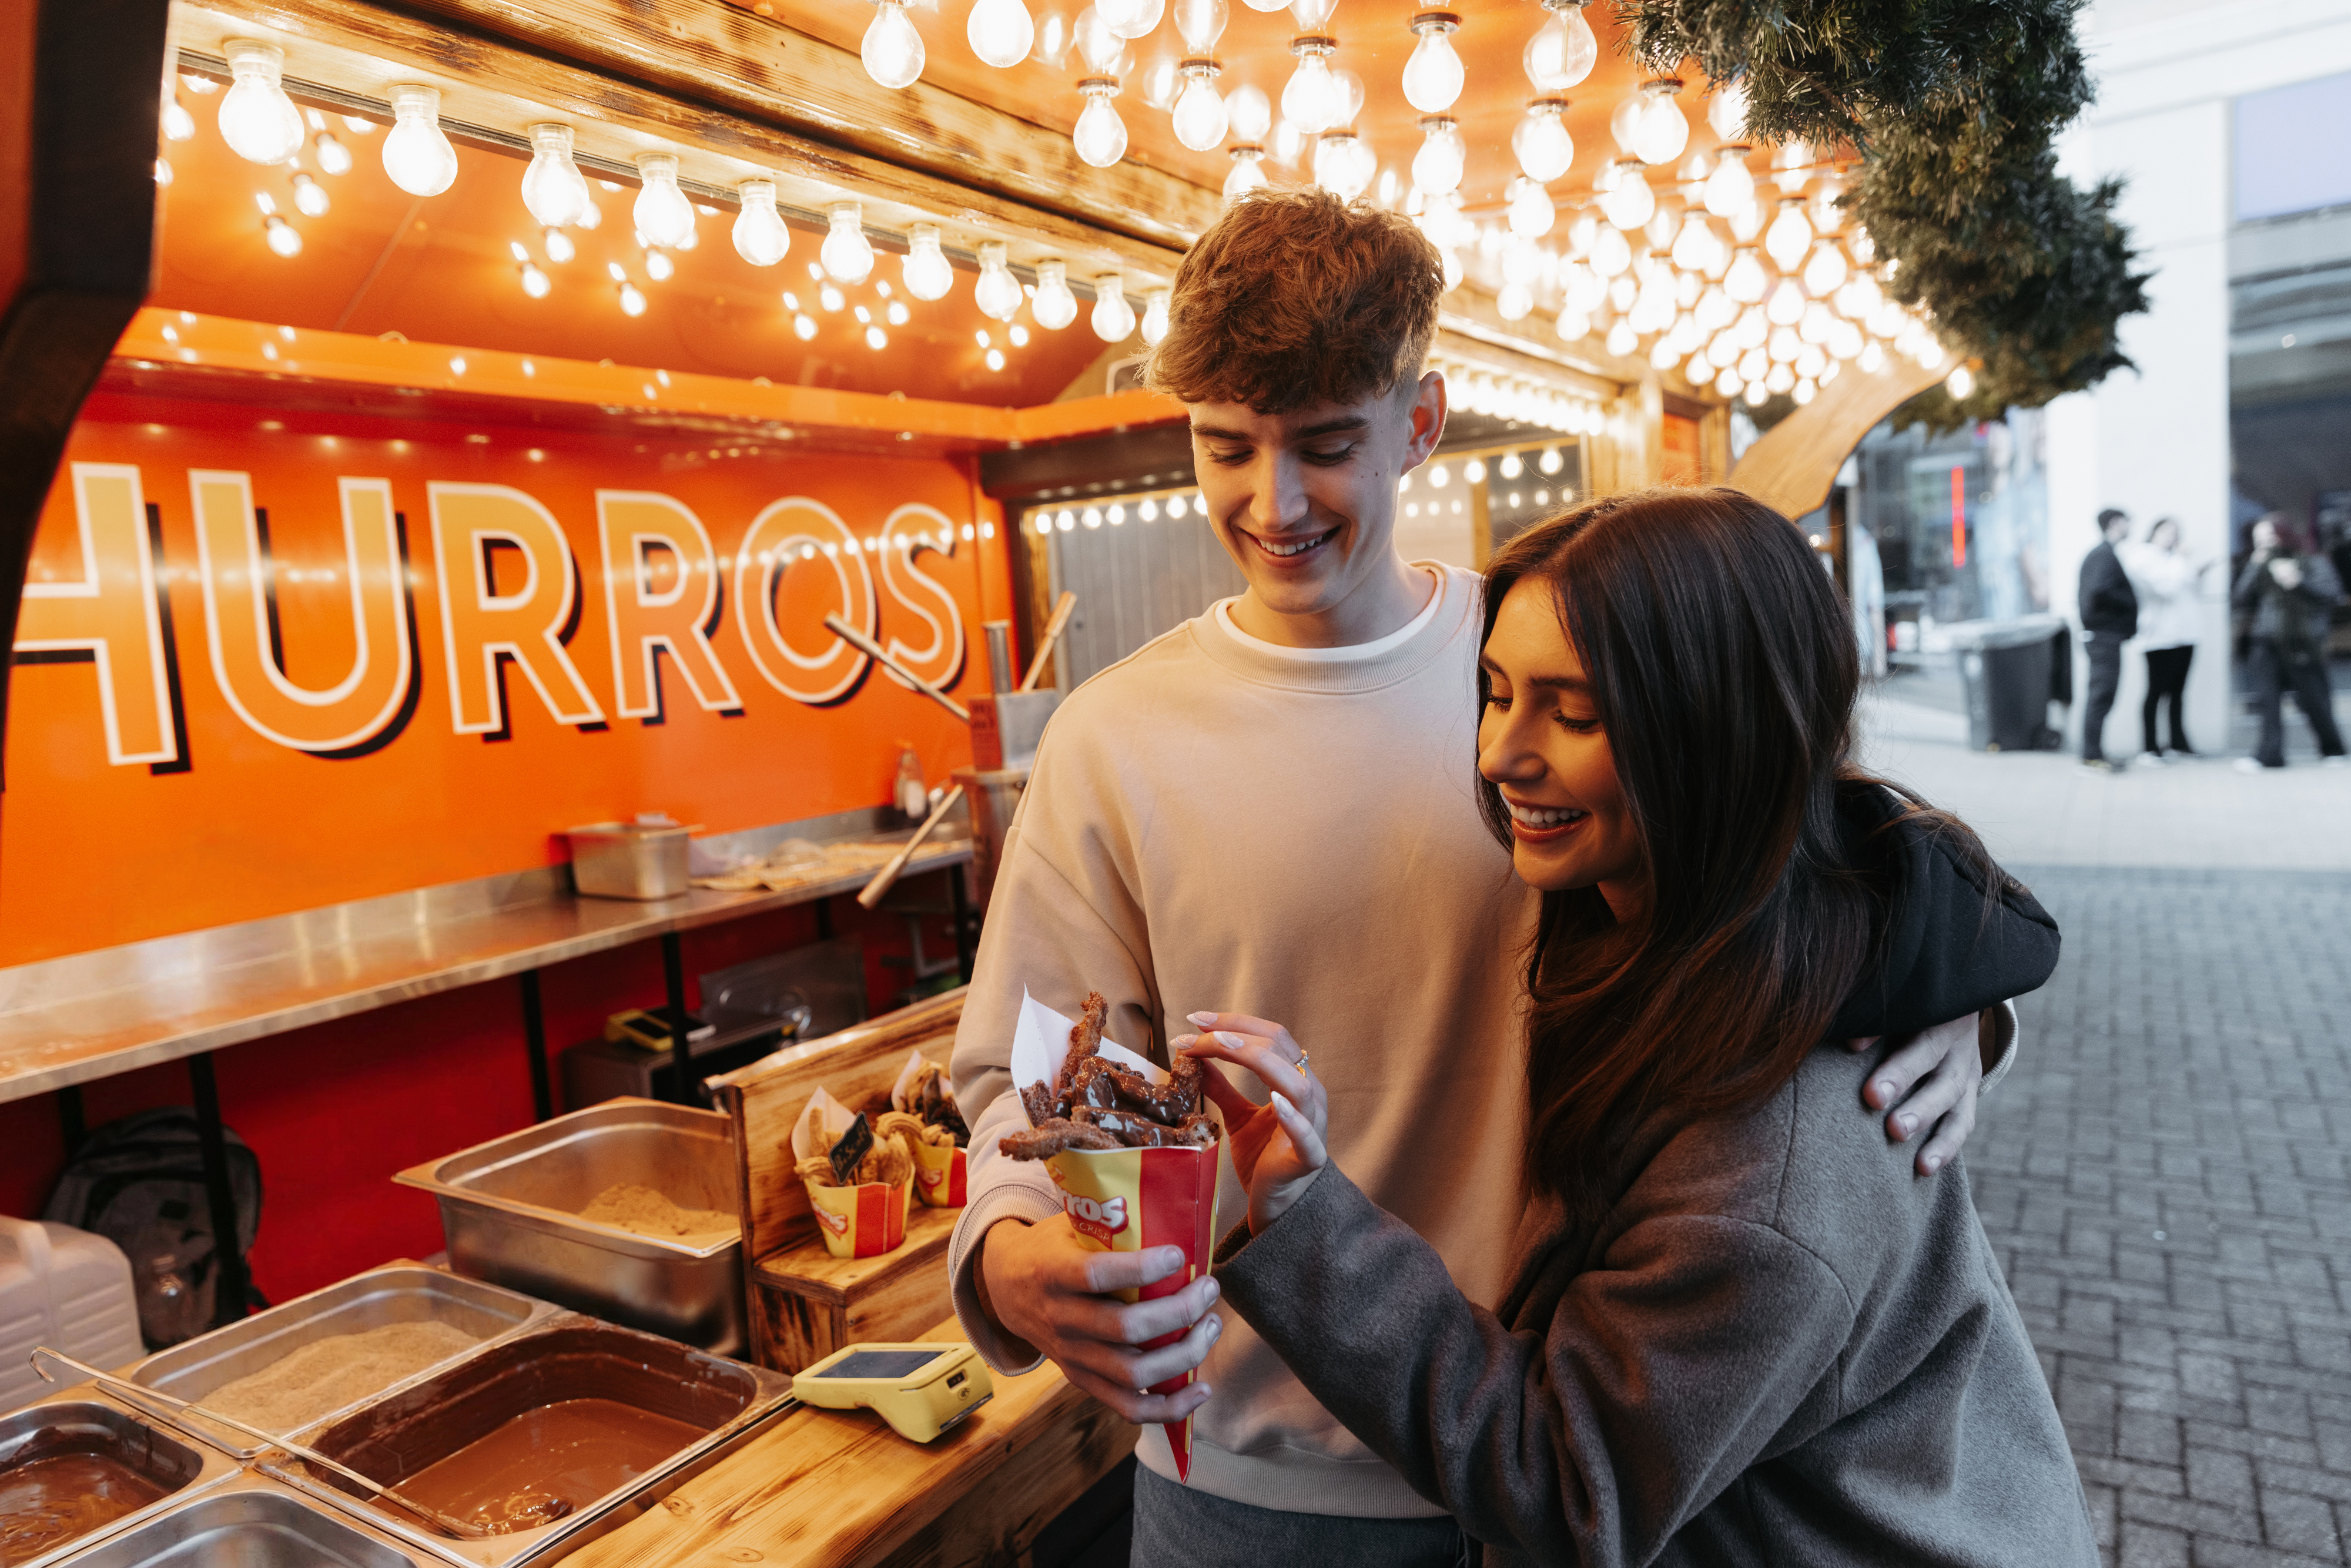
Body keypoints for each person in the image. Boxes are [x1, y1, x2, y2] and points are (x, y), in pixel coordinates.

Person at [946, 191, 2006, 1563]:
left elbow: (1801, 844)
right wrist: (1011, 1251)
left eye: (1325, 447)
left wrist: (1953, 1005)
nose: (1271, 503)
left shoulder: (1554, 661)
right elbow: (1019, 1078)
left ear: (1422, 422)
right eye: (1225, 447)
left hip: (1564, 1451)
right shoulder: (1113, 736)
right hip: (1247, 1483)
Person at [1185, 490, 2098, 1567]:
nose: (1499, 754)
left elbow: (1568, 1485)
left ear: (1716, 734)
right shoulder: (1674, 918)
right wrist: (1965, 993)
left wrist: (1306, 1215)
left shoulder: (1766, 1179)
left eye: (1574, 712)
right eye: (1495, 692)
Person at [2233, 515, 2347, 771]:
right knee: (2267, 701)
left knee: (2314, 700)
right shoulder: (2261, 565)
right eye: (2259, 541)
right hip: (2267, 640)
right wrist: (2254, 566)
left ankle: (2332, 749)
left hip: (2302, 642)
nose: (2265, 545)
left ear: (2284, 535)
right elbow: (2241, 598)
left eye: (2269, 538)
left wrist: (2299, 582)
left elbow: (2332, 594)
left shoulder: (2313, 561)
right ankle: (2270, 755)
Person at [2122, 516, 2211, 761]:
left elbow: (2189, 588)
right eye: (2167, 532)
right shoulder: (2142, 556)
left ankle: (2177, 744)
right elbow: (2166, 589)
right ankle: (2149, 747)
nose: (2172, 537)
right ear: (2154, 532)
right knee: (2155, 692)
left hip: (2186, 634)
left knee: (2178, 693)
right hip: (2159, 637)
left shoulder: (2172, 560)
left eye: (2176, 533)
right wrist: (2180, 559)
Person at [2078, 507, 2138, 772]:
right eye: (2126, 522)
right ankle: (2091, 757)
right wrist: (2129, 602)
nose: (2130, 527)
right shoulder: (2103, 555)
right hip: (2104, 637)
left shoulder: (2104, 554)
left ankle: (2095, 754)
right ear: (2115, 523)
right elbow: (2100, 589)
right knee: (2101, 695)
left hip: (2105, 637)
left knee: (2103, 695)